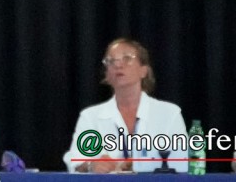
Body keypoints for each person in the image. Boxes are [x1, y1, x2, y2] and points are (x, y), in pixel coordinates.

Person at [64, 38, 188, 173]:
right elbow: (76, 160)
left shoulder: (169, 114)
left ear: (144, 70)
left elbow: (182, 161)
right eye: (111, 61)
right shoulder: (91, 117)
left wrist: (142, 164)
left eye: (127, 58)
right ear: (107, 74)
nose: (118, 65)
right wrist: (91, 165)